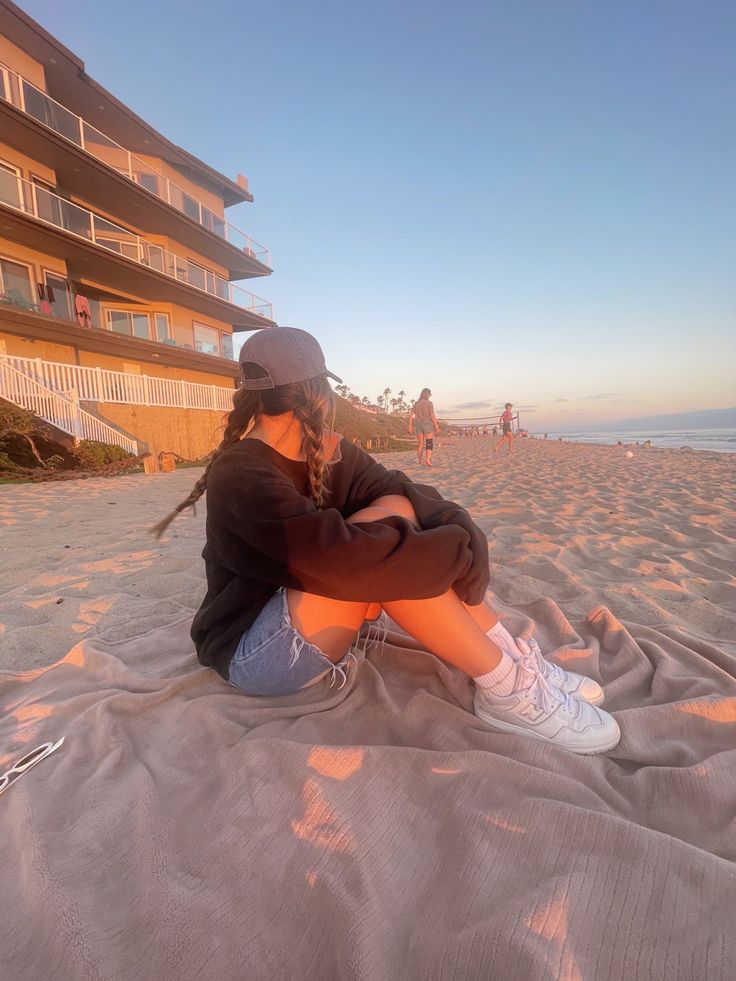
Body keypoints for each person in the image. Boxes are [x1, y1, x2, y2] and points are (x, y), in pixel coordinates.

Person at [153, 327, 620, 755]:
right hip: (256, 655)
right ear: (316, 394)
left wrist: (456, 526)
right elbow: (348, 562)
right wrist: (452, 551)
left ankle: (514, 656)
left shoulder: (327, 448)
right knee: (386, 558)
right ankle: (506, 688)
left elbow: (398, 490)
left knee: (395, 517)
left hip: (308, 608)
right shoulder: (242, 473)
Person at [408, 388, 440, 466]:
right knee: (429, 442)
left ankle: (419, 460)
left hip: (418, 424)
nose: (430, 396)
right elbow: (432, 415)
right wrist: (436, 425)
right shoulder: (429, 403)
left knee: (421, 443)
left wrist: (410, 425)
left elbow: (411, 415)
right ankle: (428, 460)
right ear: (427, 394)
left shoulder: (416, 403)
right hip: (427, 424)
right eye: (430, 394)